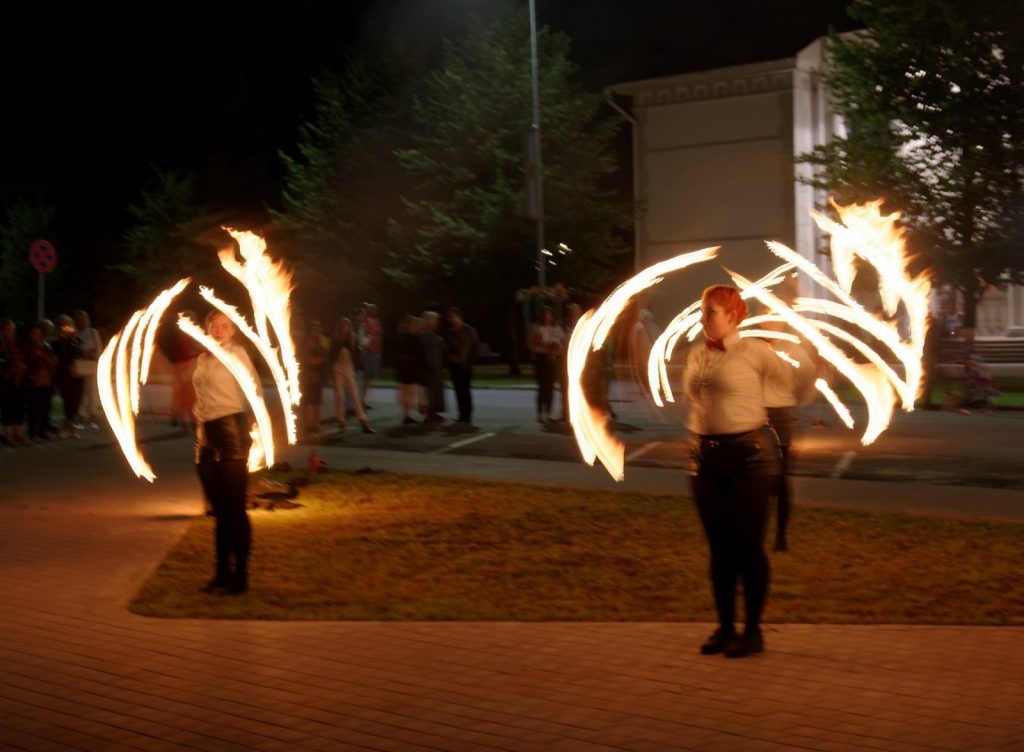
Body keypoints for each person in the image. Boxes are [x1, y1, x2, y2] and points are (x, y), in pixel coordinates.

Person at [682, 284, 787, 658]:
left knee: (747, 547)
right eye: (702, 310)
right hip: (704, 461)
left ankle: (753, 631)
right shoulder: (697, 354)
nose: (703, 317)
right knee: (719, 548)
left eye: (710, 311)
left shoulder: (755, 352)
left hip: (749, 459)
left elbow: (787, 389)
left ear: (733, 315)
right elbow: (695, 402)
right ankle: (726, 627)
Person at [192, 310, 260, 596]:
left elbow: (253, 390)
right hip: (207, 433)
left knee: (235, 509)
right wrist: (200, 437)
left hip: (231, 430)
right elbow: (200, 399)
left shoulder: (238, 354)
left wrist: (255, 426)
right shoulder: (203, 358)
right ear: (206, 328)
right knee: (219, 511)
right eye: (214, 325)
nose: (219, 330)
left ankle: (240, 577)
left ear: (233, 331)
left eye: (225, 326)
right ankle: (221, 574)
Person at [760, 320, 816, 553]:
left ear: (782, 322)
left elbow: (808, 380)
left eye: (775, 318)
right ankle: (757, 534)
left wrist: (795, 403)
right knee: (757, 481)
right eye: (765, 316)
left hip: (781, 418)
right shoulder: (751, 347)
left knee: (781, 481)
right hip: (757, 417)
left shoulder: (794, 351)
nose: (770, 323)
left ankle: (781, 535)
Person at [330, 316, 373, 434]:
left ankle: (363, 421)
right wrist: (332, 369)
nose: (345, 328)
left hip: (348, 368)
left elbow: (356, 354)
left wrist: (358, 367)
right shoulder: (336, 339)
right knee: (340, 396)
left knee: (355, 395)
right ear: (340, 327)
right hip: (338, 367)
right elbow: (332, 355)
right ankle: (341, 421)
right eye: (343, 326)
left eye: (346, 326)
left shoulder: (352, 339)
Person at [527, 306, 565, 423]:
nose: (547, 317)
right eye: (545, 315)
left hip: (553, 359)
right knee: (542, 387)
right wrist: (541, 345)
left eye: (549, 315)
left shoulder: (557, 328)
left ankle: (548, 413)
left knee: (550, 387)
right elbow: (531, 344)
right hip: (541, 359)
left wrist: (556, 348)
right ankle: (540, 414)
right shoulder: (537, 328)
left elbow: (562, 341)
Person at [21, 321, 57, 441]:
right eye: (34, 333)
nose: (36, 335)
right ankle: (32, 432)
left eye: (38, 333)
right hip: (34, 382)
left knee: (44, 408)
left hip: (46, 381)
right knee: (33, 409)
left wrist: (46, 359)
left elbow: (52, 362)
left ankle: (43, 431)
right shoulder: (26, 347)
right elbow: (25, 363)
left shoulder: (46, 347)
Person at [167, 313, 203, 432]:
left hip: (181, 367)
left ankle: (180, 418)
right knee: (187, 394)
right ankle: (186, 420)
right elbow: (192, 350)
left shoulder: (181, 337)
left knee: (183, 394)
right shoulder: (186, 337)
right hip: (185, 367)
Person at [444, 307, 479, 424]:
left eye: (453, 316)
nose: (451, 319)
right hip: (454, 364)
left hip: (465, 364)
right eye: (449, 317)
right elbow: (447, 348)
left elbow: (474, 347)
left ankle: (467, 414)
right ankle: (461, 413)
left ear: (459, 317)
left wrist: (470, 362)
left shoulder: (468, 330)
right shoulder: (450, 331)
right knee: (458, 389)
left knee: (465, 389)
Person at [53, 314, 85, 439]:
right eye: (65, 325)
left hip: (77, 374)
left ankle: (69, 426)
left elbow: (80, 354)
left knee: (76, 401)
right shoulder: (57, 342)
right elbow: (59, 356)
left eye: (70, 325)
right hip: (64, 375)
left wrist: (73, 339)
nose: (68, 328)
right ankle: (66, 426)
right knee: (68, 401)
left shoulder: (77, 340)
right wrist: (64, 339)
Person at [298, 319, 329, 441]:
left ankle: (315, 424)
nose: (315, 332)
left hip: (318, 375)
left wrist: (318, 366)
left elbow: (324, 358)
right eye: (313, 329)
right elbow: (302, 358)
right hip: (306, 376)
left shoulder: (320, 345)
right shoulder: (304, 344)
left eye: (317, 329)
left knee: (317, 401)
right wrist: (311, 363)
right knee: (306, 401)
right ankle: (307, 425)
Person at [395, 315, 429, 425]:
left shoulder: (415, 338)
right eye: (415, 325)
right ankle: (409, 415)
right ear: (410, 326)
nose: (418, 327)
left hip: (412, 370)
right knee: (410, 393)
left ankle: (410, 415)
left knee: (412, 393)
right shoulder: (406, 338)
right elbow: (403, 355)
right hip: (408, 370)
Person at [72, 309, 102, 428]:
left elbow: (98, 348)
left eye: (83, 318)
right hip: (80, 366)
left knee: (93, 392)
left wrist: (91, 354)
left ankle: (93, 416)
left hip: (91, 365)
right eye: (79, 319)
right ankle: (81, 416)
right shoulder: (74, 334)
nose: (81, 321)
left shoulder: (93, 332)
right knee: (81, 392)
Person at [0, 318, 28, 446]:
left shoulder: (15, 344)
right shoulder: (2, 344)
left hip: (18, 379)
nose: (11, 332)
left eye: (13, 329)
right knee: (7, 407)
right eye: (9, 329)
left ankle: (17, 431)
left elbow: (20, 357)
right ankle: (8, 434)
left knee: (18, 406)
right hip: (6, 379)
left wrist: (21, 366)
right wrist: (11, 367)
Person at [420, 310, 447, 422]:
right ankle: (429, 414)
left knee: (436, 390)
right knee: (429, 391)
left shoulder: (435, 337)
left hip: (437, 368)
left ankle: (434, 412)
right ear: (428, 321)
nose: (437, 322)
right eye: (434, 320)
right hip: (428, 368)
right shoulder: (423, 336)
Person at [557, 303, 583, 422]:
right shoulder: (563, 325)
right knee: (565, 388)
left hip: (580, 361)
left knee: (580, 388)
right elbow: (559, 339)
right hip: (565, 361)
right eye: (571, 311)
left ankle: (579, 414)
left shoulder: (583, 323)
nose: (573, 313)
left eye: (575, 311)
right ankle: (566, 413)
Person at [358, 303, 382, 410]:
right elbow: (364, 338)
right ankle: (360, 401)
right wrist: (368, 342)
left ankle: (362, 400)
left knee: (368, 379)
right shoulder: (366, 322)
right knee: (365, 379)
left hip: (374, 352)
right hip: (369, 353)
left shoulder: (374, 322)